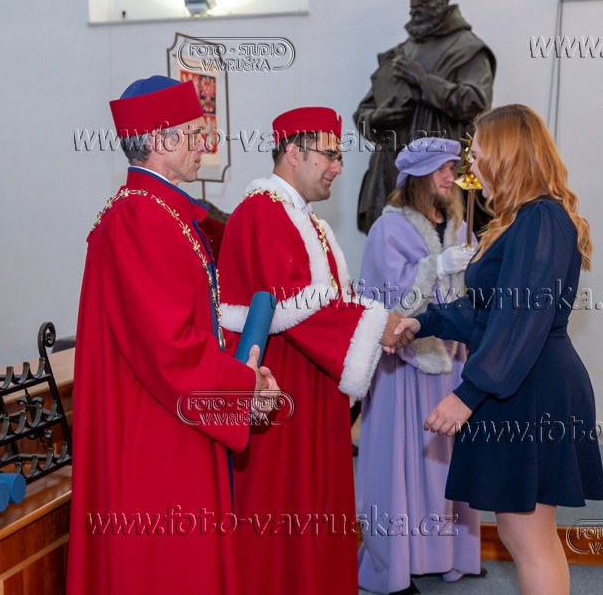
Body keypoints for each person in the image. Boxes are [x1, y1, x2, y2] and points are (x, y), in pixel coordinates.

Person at [66, 75, 278, 595]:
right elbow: (168, 349)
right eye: (195, 132)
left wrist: (241, 370)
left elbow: (187, 325)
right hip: (156, 434)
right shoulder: (141, 217)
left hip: (171, 415)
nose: (207, 143)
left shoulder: (154, 211)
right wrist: (242, 385)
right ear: (161, 139)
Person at [395, 104, 603, 595]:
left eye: (478, 154)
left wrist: (467, 395)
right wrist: (422, 321)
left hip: (530, 386)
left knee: (528, 538)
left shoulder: (541, 218)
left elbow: (522, 319)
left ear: (507, 155)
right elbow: (485, 311)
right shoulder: (524, 220)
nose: (471, 168)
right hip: (521, 381)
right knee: (525, 534)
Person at [217, 107, 415, 595]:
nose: (338, 167)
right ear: (293, 152)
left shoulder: (308, 221)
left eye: (339, 156)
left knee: (317, 508)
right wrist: (378, 326)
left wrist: (375, 320)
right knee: (281, 513)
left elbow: (328, 301)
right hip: (281, 393)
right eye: (329, 155)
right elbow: (292, 304)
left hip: (313, 390)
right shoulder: (262, 211)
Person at [357, 137, 481, 595]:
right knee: (400, 466)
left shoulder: (461, 228)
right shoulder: (387, 230)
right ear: (418, 176)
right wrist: (435, 266)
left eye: (453, 168)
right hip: (404, 369)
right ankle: (393, 566)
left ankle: (451, 556)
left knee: (448, 464)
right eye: (442, 169)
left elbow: (472, 296)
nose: (451, 177)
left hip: (452, 365)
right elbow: (390, 307)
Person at [354, 0, 496, 235]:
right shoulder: (399, 53)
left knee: (444, 244)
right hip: (392, 173)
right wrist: (379, 118)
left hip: (442, 174)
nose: (414, 4)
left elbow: (477, 105)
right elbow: (363, 111)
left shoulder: (467, 49)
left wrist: (424, 81)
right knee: (392, 244)